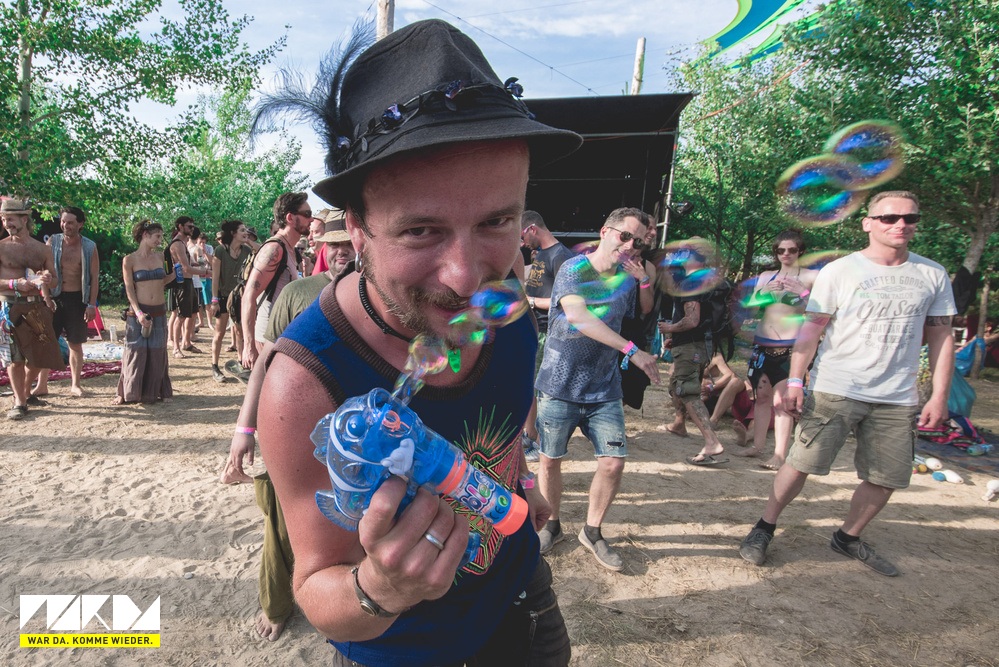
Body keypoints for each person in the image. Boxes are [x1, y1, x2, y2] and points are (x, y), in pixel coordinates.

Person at [256, 20, 582, 666]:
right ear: (357, 229)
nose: (464, 277)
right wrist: (380, 588)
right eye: (421, 230)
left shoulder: (509, 310)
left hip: (523, 600)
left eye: (496, 220)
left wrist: (519, 480)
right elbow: (316, 587)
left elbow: (502, 423)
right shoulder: (304, 380)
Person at [738, 191, 956, 577]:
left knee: (888, 477)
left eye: (910, 218)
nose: (901, 224)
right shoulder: (841, 271)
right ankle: (764, 527)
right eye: (889, 217)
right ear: (868, 223)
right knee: (800, 463)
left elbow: (941, 336)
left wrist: (939, 396)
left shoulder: (932, 274)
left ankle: (848, 536)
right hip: (835, 387)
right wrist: (796, 380)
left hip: (897, 396)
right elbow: (811, 330)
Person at [218, 212, 354, 641]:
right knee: (282, 521)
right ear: (321, 248)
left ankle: (346, 601)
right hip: (296, 430)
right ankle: (276, 605)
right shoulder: (298, 293)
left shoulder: (380, 296)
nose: (342, 252)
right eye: (334, 244)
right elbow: (264, 365)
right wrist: (244, 430)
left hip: (355, 436)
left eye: (348, 243)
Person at [534, 207, 661, 572]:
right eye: (625, 236)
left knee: (613, 462)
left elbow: (639, 316)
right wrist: (632, 351)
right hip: (559, 384)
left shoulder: (626, 280)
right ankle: (552, 524)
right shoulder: (574, 269)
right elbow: (578, 316)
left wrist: (643, 282)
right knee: (550, 460)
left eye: (638, 242)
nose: (630, 245)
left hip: (604, 388)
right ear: (606, 231)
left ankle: (592, 531)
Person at [732, 230, 818, 470]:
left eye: (791, 250)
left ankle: (779, 455)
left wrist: (802, 292)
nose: (786, 254)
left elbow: (820, 311)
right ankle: (757, 446)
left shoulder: (811, 276)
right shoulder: (767, 276)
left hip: (790, 346)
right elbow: (751, 306)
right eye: (781, 250)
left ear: (800, 251)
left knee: (782, 402)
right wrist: (764, 292)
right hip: (762, 343)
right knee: (761, 398)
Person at [658, 239, 727, 466]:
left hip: (692, 345)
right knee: (676, 384)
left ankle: (711, 441)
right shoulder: (707, 280)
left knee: (687, 391)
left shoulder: (691, 282)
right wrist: (677, 338)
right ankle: (679, 424)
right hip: (700, 344)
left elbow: (692, 320)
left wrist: (670, 328)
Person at [29, 206, 100, 398]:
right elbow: (43, 272)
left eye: (70, 222)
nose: (65, 225)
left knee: (75, 344)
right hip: (54, 297)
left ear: (80, 224)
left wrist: (91, 304)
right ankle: (42, 385)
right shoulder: (53, 242)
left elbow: (94, 278)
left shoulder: (89, 247)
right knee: (48, 342)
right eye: (63, 221)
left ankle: (75, 385)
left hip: (78, 299)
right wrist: (46, 297)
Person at [0, 198, 62, 420]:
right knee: (15, 358)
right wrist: (14, 284)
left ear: (24, 219)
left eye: (10, 219)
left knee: (41, 356)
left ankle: (24, 392)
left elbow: (55, 281)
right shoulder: (1, 247)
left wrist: (48, 279)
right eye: (3, 219)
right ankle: (19, 402)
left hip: (35, 307)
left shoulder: (42, 249)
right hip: (9, 308)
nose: (6, 224)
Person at [520, 210, 575, 461]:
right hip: (534, 328)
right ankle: (530, 435)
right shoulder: (541, 253)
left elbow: (565, 302)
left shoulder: (561, 256)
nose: (522, 243)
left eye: (522, 237)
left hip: (549, 332)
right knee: (529, 386)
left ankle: (540, 443)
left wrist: (529, 301)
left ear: (532, 229)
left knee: (542, 390)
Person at [240, 192, 309, 369]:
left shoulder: (291, 250)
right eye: (307, 214)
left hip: (282, 337)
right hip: (266, 339)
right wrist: (248, 346)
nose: (311, 219)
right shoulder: (274, 249)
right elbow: (248, 296)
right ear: (290, 218)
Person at [116, 221, 176, 404]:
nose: (160, 240)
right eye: (157, 236)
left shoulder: (161, 257)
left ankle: (157, 392)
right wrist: (138, 313)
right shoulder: (129, 260)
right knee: (135, 351)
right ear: (145, 235)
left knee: (158, 351)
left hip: (159, 311)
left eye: (161, 236)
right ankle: (126, 393)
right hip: (138, 312)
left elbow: (163, 281)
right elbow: (129, 289)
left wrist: (176, 274)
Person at [209, 220, 251, 382]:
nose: (246, 232)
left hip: (240, 297)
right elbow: (215, 277)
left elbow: (261, 251)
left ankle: (241, 363)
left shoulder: (247, 250)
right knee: (219, 333)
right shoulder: (220, 250)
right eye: (242, 230)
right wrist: (214, 300)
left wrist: (249, 241)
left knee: (240, 331)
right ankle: (215, 367)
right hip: (223, 296)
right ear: (233, 233)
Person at [165, 216, 208, 358]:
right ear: (180, 226)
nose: (192, 229)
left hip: (189, 282)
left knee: (193, 313)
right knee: (181, 315)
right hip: (181, 284)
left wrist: (200, 265)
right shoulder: (177, 244)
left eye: (192, 226)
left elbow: (189, 264)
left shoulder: (183, 243)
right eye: (189, 226)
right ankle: (176, 348)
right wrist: (206, 272)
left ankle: (186, 342)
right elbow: (185, 268)